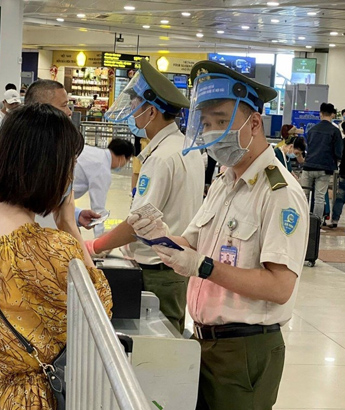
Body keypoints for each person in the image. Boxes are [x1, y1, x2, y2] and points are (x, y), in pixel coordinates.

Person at [131, 60, 308, 409]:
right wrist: (158, 237)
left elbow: (279, 287)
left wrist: (204, 267)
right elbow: (191, 244)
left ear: (254, 122)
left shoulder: (278, 192)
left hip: (245, 349)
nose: (212, 132)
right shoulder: (224, 181)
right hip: (203, 340)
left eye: (222, 121)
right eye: (207, 123)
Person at [0, 103, 112, 409]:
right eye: (68, 167)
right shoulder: (48, 248)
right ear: (51, 170)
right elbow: (98, 313)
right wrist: (68, 225)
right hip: (30, 398)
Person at [86, 59, 204, 333]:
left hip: (157, 273)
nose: (132, 112)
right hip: (173, 269)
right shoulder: (186, 147)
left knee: (158, 349)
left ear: (152, 111)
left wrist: (96, 246)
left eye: (136, 105)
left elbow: (138, 223)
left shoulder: (162, 157)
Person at [23, 79, 102, 229]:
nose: (69, 112)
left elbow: (56, 204)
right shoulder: (30, 155)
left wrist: (75, 214)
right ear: (42, 109)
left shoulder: (58, 148)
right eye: (64, 105)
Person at [74, 138, 135, 236]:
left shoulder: (95, 153)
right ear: (122, 158)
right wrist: (99, 239)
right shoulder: (102, 168)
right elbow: (98, 208)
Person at [300, 102, 343, 226]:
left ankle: (302, 223)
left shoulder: (312, 130)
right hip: (325, 168)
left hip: (308, 166)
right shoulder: (335, 131)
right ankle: (315, 225)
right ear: (333, 115)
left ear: (320, 114)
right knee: (319, 198)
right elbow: (339, 152)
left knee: (304, 195)